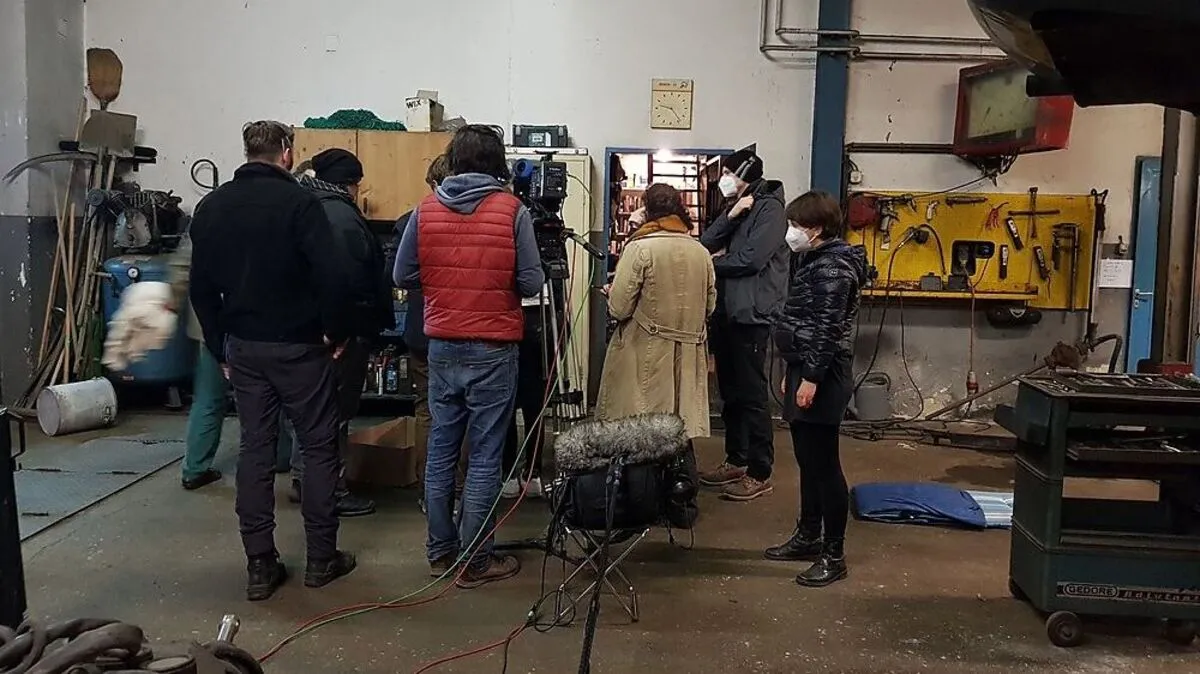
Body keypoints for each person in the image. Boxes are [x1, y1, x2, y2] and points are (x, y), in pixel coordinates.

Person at [190, 120, 356, 601]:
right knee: (320, 448)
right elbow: (331, 274)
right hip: (301, 346)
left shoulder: (212, 206)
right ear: (286, 152)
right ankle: (322, 559)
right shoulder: (300, 203)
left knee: (255, 452)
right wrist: (337, 331)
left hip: (244, 346)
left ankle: (260, 564)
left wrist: (220, 345)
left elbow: (201, 288)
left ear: (247, 151)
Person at [394, 124, 545, 588]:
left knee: (441, 448)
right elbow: (532, 283)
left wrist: (445, 290)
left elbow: (403, 273)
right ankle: (476, 561)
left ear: (454, 159)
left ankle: (440, 553)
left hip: (442, 346)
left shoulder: (425, 209)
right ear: (498, 162)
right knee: (484, 455)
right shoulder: (512, 211)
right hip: (493, 348)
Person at [595, 183, 715, 525]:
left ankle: (642, 505)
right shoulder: (700, 251)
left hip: (643, 352)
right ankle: (682, 505)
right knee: (680, 429)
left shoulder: (640, 248)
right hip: (688, 354)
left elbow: (619, 307)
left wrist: (610, 292)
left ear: (647, 210)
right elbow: (710, 304)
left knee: (640, 429)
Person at [766, 190, 867, 588]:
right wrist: (794, 370)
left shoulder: (833, 268)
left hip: (823, 373)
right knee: (807, 461)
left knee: (825, 466)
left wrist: (810, 377)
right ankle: (808, 536)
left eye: (796, 226)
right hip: (805, 368)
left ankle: (833, 553)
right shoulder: (811, 259)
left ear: (818, 228)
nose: (790, 232)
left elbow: (826, 329)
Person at [284, 148, 392, 518]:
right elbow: (348, 281)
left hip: (305, 329)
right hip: (339, 333)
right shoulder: (340, 217)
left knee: (311, 409)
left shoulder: (304, 206)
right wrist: (347, 330)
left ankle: (304, 479)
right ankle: (332, 489)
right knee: (335, 413)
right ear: (348, 182)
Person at [698, 150, 789, 502]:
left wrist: (711, 264)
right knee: (730, 393)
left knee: (751, 394)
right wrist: (731, 216)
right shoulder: (741, 206)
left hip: (752, 313)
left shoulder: (771, 211)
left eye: (727, 173)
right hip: (727, 312)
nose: (724, 179)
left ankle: (759, 470)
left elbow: (751, 260)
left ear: (743, 174)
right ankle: (736, 459)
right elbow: (706, 243)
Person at [396, 155, 470, 513]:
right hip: (465, 332)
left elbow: (398, 276)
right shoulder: (476, 221)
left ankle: (431, 494)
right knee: (467, 413)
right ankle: (460, 494)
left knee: (428, 412)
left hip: (424, 332)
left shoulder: (412, 220)